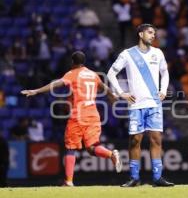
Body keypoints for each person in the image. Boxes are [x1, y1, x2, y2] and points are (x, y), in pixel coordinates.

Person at [21, 51, 122, 186]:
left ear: (72, 62)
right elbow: (104, 88)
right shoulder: (93, 75)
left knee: (70, 148)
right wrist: (112, 97)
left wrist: (36, 91)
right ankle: (111, 154)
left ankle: (68, 182)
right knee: (92, 148)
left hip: (78, 115)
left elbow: (55, 84)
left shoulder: (72, 74)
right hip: (93, 115)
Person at [107, 23, 174, 187]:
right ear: (140, 34)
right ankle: (134, 178)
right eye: (150, 32)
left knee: (156, 139)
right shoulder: (128, 54)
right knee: (135, 140)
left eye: (154, 33)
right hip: (136, 105)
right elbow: (110, 73)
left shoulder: (158, 53)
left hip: (154, 103)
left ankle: (158, 178)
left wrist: (163, 90)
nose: (153, 35)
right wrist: (121, 92)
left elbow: (165, 73)